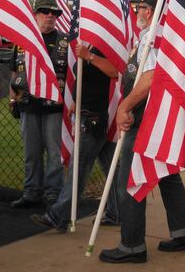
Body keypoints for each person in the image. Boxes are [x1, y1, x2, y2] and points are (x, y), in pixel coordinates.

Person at [99, 0, 185, 264]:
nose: (140, 11)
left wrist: (125, 105)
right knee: (166, 174)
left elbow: (151, 76)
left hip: (147, 119)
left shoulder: (155, 38)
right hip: (147, 116)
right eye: (140, 7)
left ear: (159, 12)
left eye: (147, 8)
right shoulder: (146, 37)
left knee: (129, 181)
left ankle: (132, 245)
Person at [30, 19, 121, 230]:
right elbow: (85, 80)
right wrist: (76, 103)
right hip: (88, 112)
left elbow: (115, 71)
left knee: (78, 168)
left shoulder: (101, 48)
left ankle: (58, 215)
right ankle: (117, 212)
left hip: (96, 117)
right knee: (111, 168)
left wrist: (89, 56)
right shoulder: (86, 46)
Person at [9, 0, 68, 208]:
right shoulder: (23, 40)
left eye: (54, 13)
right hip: (27, 104)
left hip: (54, 107)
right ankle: (31, 191)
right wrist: (12, 98)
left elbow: (72, 77)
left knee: (54, 153)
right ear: (35, 14)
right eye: (44, 11)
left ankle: (53, 193)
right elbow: (14, 71)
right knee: (31, 153)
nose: (50, 16)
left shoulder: (66, 42)